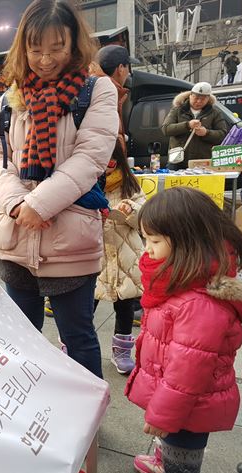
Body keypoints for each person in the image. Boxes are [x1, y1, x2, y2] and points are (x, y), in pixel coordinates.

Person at [0, 0, 119, 379]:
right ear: (22, 48)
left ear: (74, 44)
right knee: (21, 337)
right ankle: (31, 409)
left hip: (68, 238)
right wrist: (16, 204)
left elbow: (90, 158)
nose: (45, 59)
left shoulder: (97, 91)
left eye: (56, 48)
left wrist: (40, 204)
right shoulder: (11, 97)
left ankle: (88, 422)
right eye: (35, 48)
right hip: (15, 235)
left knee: (78, 337)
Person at [127, 187, 242, 473]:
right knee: (175, 450)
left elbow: (188, 371)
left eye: (154, 240)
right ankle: (165, 458)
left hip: (189, 408)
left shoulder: (198, 302)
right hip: (183, 403)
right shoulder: (183, 278)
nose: (148, 249)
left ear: (187, 242)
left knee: (182, 471)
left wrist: (164, 416)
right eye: (146, 239)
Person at [94, 142, 145, 374]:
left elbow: (145, 218)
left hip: (126, 255)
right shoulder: (86, 180)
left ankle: (121, 351)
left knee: (125, 306)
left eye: (111, 163)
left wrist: (131, 210)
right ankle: (73, 346)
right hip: (96, 256)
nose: (106, 168)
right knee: (84, 307)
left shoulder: (129, 183)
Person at [161, 82, 228, 170]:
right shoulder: (178, 110)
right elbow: (166, 129)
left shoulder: (215, 113)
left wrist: (206, 133)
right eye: (196, 98)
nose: (199, 101)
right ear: (190, 95)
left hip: (203, 161)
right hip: (178, 160)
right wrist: (187, 125)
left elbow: (223, 134)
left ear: (208, 99)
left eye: (203, 99)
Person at [94, 45, 139, 157]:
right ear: (120, 68)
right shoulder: (107, 93)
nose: (128, 73)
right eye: (128, 67)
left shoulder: (94, 88)